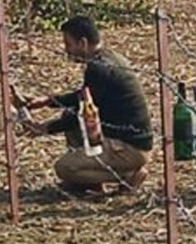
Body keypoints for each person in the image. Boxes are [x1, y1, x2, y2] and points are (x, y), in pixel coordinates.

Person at [16, 16, 153, 194]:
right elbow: (86, 96)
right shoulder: (110, 58)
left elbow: (84, 112)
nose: (67, 50)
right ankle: (92, 181)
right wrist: (49, 102)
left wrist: (45, 128)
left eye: (68, 44)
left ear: (83, 43)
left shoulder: (98, 69)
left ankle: (127, 174)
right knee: (69, 122)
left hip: (128, 148)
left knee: (64, 168)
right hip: (130, 139)